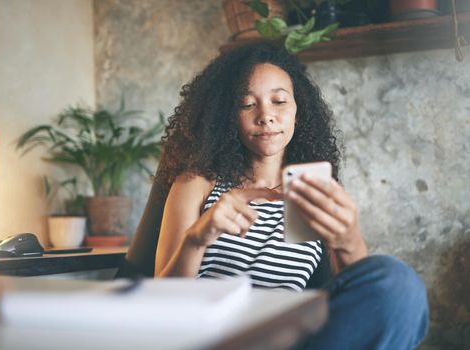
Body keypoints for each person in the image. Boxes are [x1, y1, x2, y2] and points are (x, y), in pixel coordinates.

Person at [154, 42, 429, 349]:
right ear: (228, 116)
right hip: (216, 337)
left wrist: (348, 239)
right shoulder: (198, 183)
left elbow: (361, 300)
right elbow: (163, 306)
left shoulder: (312, 189)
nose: (266, 116)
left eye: (279, 101)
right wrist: (196, 239)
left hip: (291, 337)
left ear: (299, 113)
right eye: (247, 104)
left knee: (398, 284)